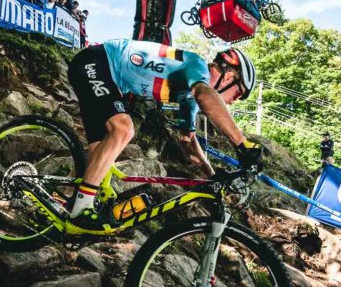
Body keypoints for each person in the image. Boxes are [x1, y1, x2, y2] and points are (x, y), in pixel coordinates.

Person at [65, 40, 263, 230]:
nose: (233, 102)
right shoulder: (197, 65)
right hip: (96, 62)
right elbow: (205, 96)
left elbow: (188, 141)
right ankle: (81, 209)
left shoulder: (190, 96)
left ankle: (64, 209)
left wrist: (211, 175)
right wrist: (242, 144)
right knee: (123, 129)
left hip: (106, 77)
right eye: (238, 94)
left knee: (98, 153)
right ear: (228, 77)